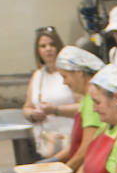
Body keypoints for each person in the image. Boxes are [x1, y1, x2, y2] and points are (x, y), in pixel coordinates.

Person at [43, 46, 105, 173]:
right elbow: (76, 144)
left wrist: (63, 171)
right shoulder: (85, 100)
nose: (64, 83)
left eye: (65, 76)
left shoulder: (92, 102)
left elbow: (87, 147)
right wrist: (55, 160)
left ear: (80, 73)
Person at [22, 26, 78, 160]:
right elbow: (27, 106)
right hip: (46, 143)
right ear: (38, 51)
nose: (48, 49)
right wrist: (32, 114)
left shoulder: (70, 74)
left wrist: (55, 110)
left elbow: (84, 107)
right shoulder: (37, 76)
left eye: (52, 44)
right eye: (43, 46)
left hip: (70, 141)